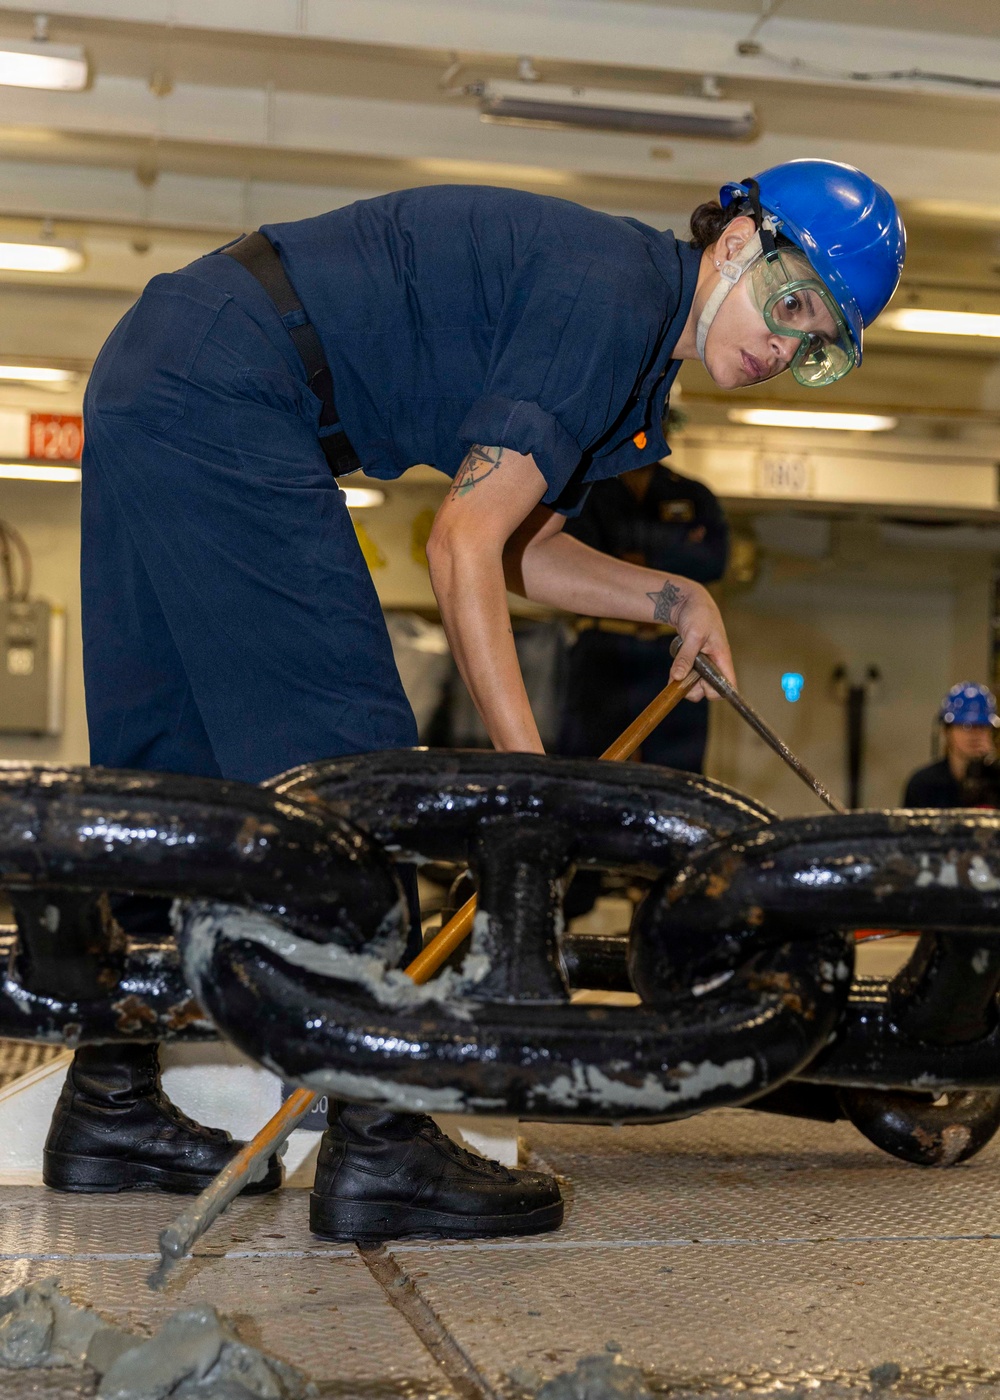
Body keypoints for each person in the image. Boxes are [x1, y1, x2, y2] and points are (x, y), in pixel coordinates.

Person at [49, 158, 905, 1243]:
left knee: (163, 780)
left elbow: (516, 547)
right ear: (736, 242)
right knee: (354, 783)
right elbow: (461, 544)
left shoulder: (630, 335)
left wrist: (675, 598)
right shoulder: (616, 299)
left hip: (159, 366)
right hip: (234, 384)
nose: (785, 348)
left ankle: (109, 1100)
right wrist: (533, 802)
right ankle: (380, 1139)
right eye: (792, 305)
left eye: (815, 347)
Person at [557, 456, 729, 771]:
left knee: (679, 773)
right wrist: (673, 558)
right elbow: (572, 560)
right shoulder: (587, 491)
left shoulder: (693, 493)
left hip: (670, 650)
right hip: (604, 644)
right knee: (585, 766)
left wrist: (642, 562)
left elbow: (713, 560)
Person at [904, 683, 1000, 807]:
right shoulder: (923, 785)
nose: (975, 734)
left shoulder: (996, 781)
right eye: (966, 726)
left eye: (982, 726)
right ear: (947, 731)